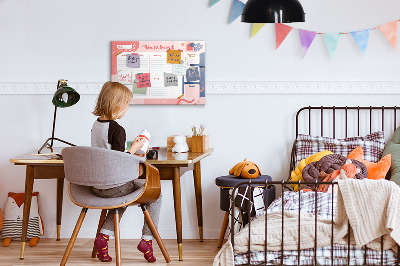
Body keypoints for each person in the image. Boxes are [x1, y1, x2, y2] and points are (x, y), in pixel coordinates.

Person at [91, 81, 161, 263]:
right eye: (127, 105)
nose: (127, 109)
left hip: (97, 186)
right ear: (117, 105)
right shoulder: (117, 129)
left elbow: (108, 154)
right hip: (114, 186)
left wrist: (130, 149)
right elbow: (118, 161)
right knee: (156, 194)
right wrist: (135, 149)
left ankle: (103, 238)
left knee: (121, 198)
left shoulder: (96, 125)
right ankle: (147, 240)